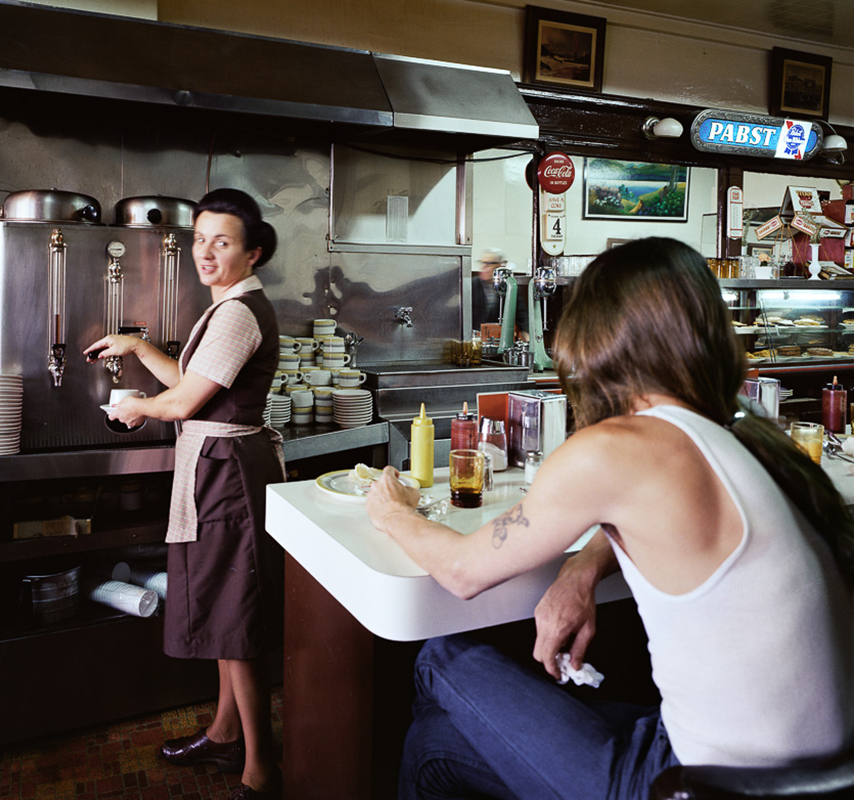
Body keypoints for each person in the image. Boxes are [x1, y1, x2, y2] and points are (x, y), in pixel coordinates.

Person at [366, 237, 854, 800]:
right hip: (801, 774)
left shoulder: (614, 448)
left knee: (441, 658)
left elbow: (461, 573)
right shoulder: (750, 437)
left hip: (698, 781)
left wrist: (392, 512)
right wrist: (584, 568)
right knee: (433, 744)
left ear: (590, 336)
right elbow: (663, 520)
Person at [84, 188, 284, 800]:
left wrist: (136, 409)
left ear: (252, 253)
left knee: (235, 619)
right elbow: (195, 383)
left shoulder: (240, 312)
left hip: (227, 474)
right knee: (226, 614)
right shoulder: (226, 306)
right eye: (200, 238)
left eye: (221, 242)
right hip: (219, 466)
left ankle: (260, 766)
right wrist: (140, 348)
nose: (205, 251)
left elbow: (183, 403)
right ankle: (226, 735)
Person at [472, 248, 528, 342]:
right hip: (475, 340)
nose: (483, 267)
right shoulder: (472, 285)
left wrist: (526, 333)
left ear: (499, 266)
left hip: (499, 340)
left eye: (488, 264)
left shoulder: (509, 286)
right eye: (482, 263)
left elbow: (521, 313)